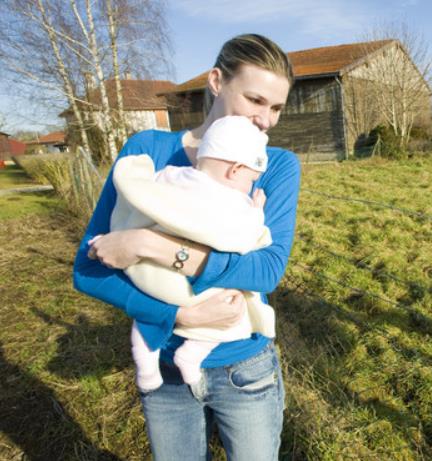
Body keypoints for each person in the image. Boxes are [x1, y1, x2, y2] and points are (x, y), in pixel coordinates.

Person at [73, 34, 299, 461]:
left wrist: (149, 244)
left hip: (246, 369)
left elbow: (267, 269)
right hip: (165, 369)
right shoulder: (148, 153)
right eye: (255, 100)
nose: (266, 120)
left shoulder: (273, 164)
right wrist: (177, 314)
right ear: (217, 80)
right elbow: (87, 271)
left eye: (276, 108)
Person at [109, 115, 277, 393]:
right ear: (235, 170)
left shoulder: (171, 175)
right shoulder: (233, 201)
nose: (250, 187)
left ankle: (147, 370)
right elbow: (246, 239)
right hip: (191, 287)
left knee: (147, 317)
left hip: (151, 275)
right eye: (251, 179)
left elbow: (144, 193)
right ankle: (193, 353)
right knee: (237, 306)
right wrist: (257, 211)